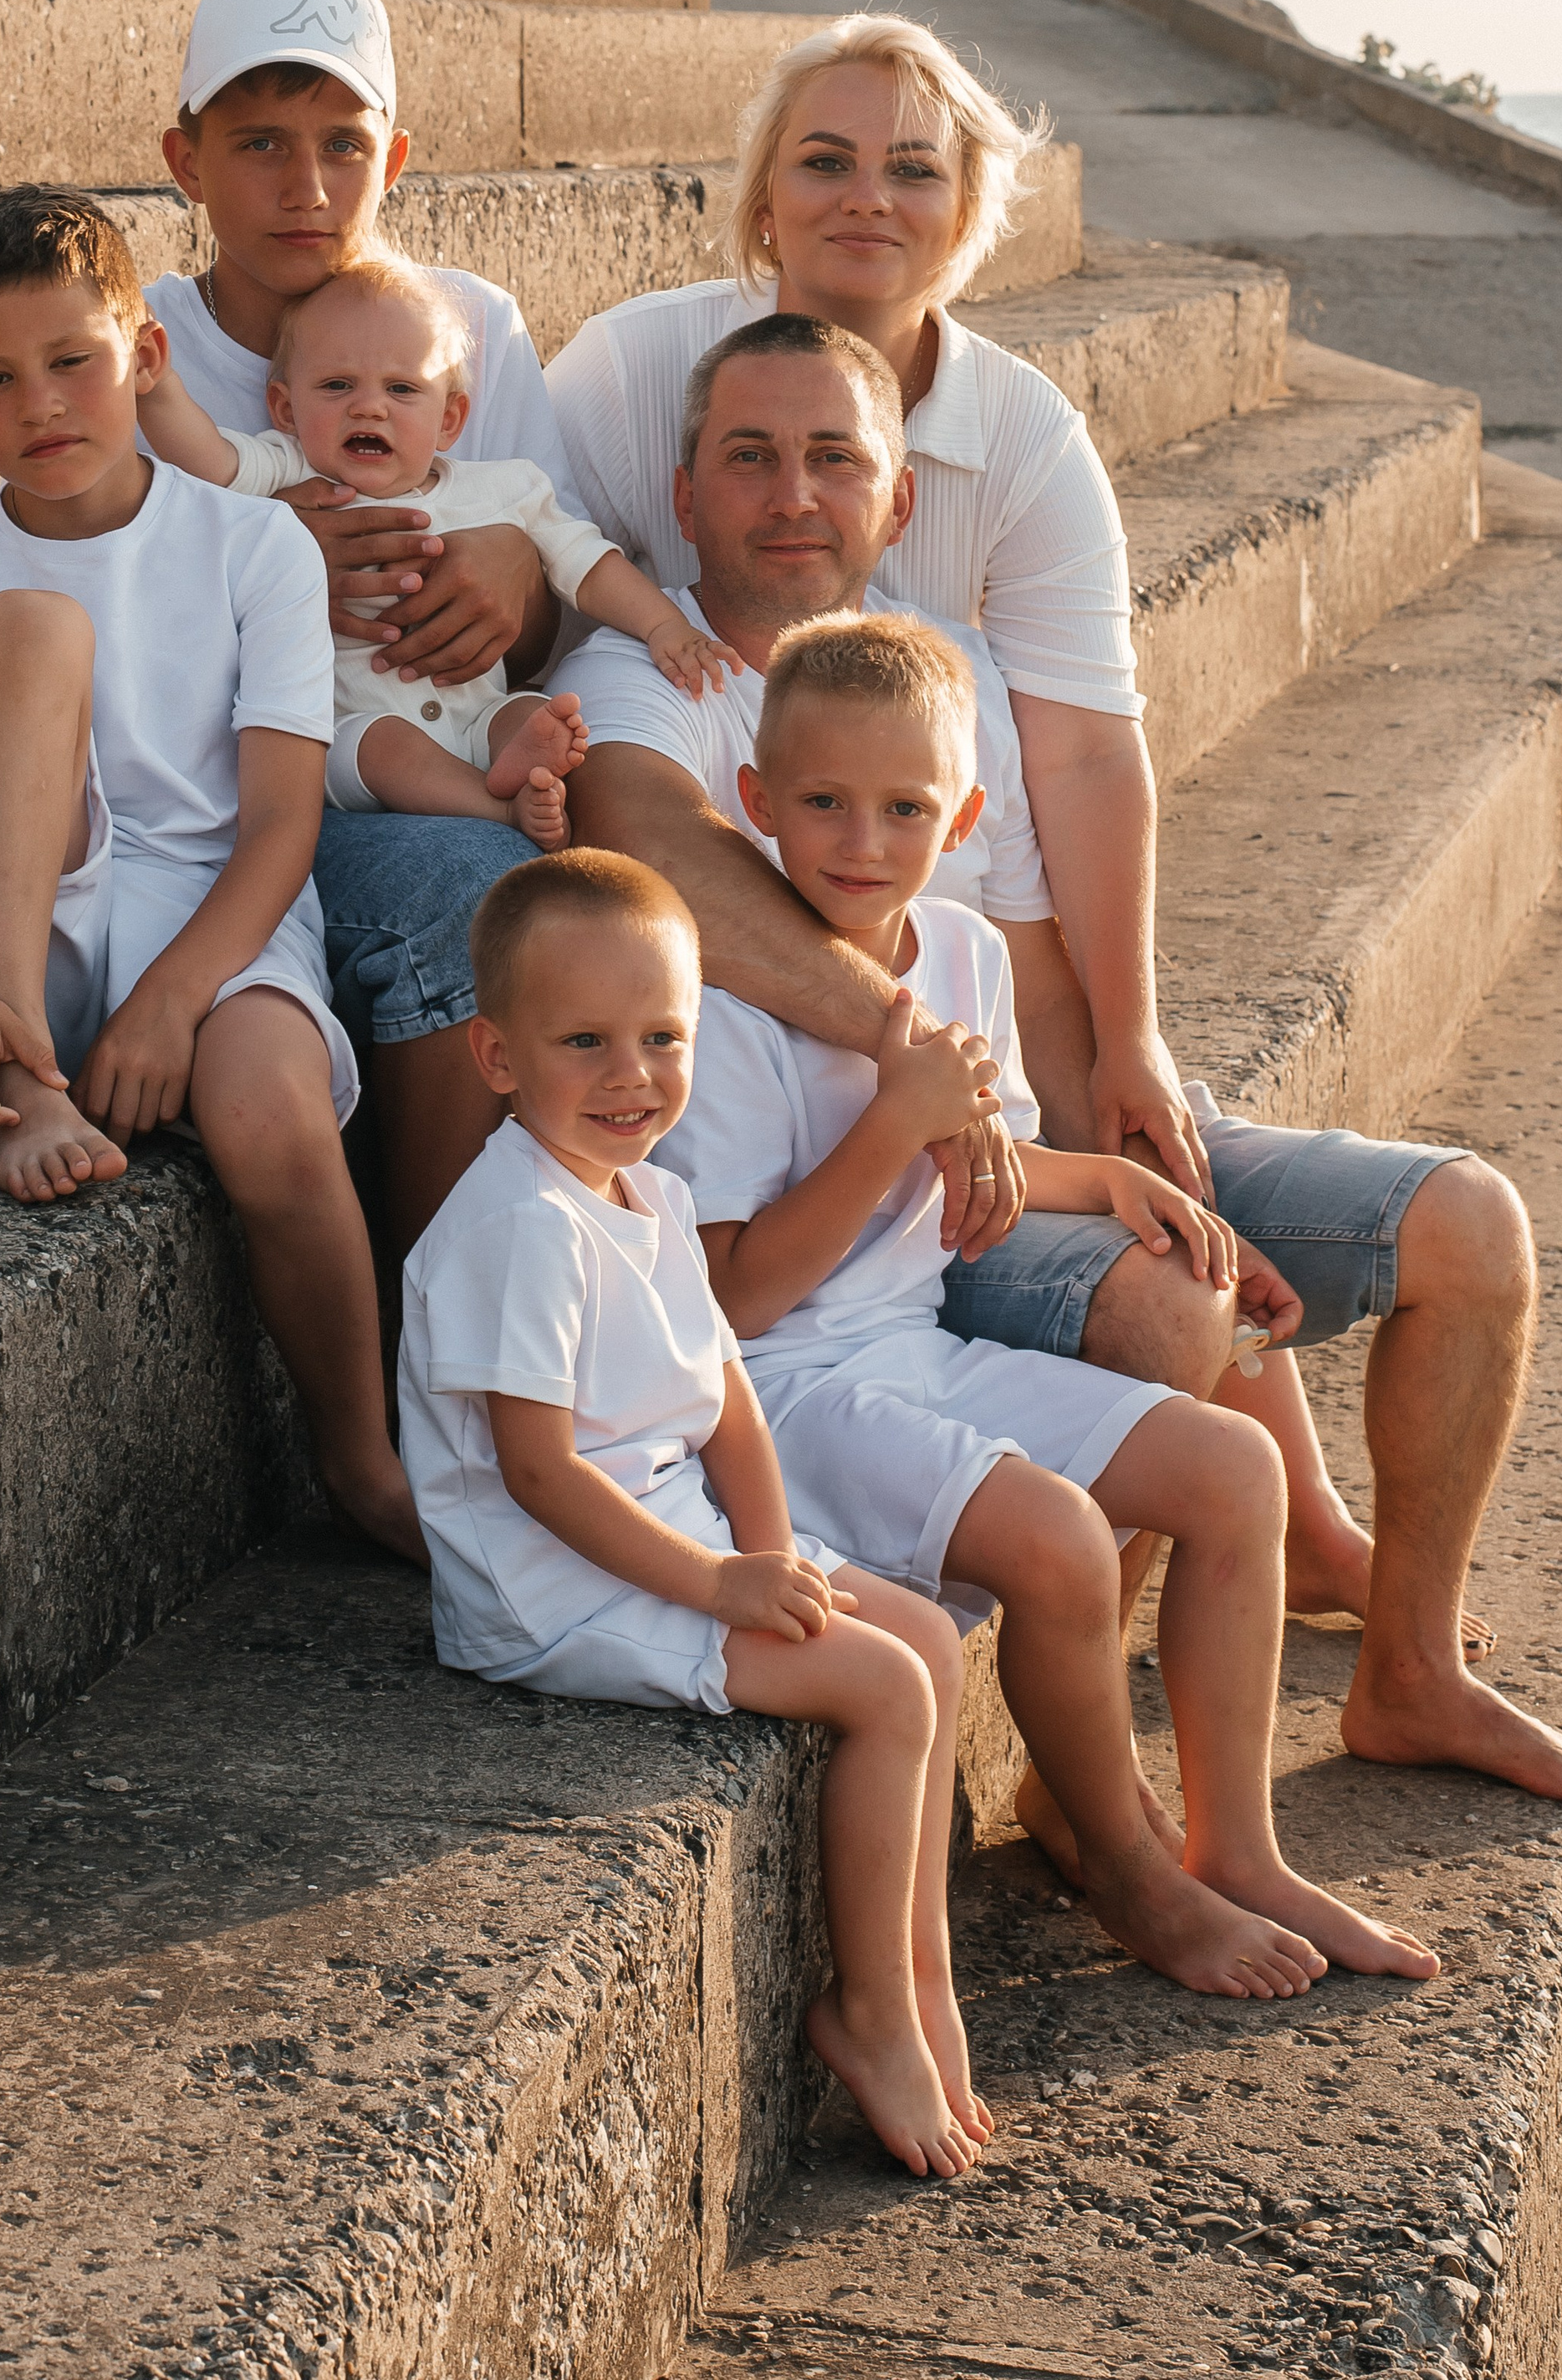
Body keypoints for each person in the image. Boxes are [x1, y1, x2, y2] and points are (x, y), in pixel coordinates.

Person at [559, 131, 1562, 1831]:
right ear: (681, 494)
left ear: (896, 501)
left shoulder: (953, 678)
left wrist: (1129, 1135)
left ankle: (1409, 1668)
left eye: (833, 458)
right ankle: (1088, 1792)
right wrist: (928, 1073)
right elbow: (645, 836)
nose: (789, 493)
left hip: (1037, 1146)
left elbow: (1036, 950)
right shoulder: (645, 674)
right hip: (882, 1217)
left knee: (1472, 1227)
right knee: (1169, 1314)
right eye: (745, 456)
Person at [655, 610, 1438, 1991]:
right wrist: (895, 1120)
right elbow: (737, 1297)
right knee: (1067, 1541)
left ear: (961, 819)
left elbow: (992, 1158)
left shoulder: (961, 951)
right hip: (783, 1391)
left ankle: (1238, 1846)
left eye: (906, 807)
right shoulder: (726, 1002)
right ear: (756, 800)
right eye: (823, 802)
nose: (862, 839)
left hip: (913, 1345)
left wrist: (1118, 1184)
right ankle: (1128, 1868)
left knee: (1237, 1469)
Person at [0, 186, 422, 1563]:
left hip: (218, 924)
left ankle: (360, 1457)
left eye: (74, 360)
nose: (41, 404)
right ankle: (25, 1076)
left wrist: (173, 999)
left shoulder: (251, 543)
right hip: (20, 929)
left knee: (275, 1114)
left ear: (146, 355)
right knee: (32, 626)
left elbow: (279, 821)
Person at [399, 849, 992, 2176]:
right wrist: (723, 1585)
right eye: (585, 1042)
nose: (633, 1075)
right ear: (497, 1055)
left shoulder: (651, 1193)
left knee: (928, 1638)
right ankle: (870, 2011)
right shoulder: (522, 1224)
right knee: (885, 1687)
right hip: (552, 1585)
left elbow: (728, 1405)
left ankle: (923, 1977)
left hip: (676, 1532)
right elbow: (540, 1475)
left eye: (663, 1037)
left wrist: (770, 1552)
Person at [150, 0, 583, 1244]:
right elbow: (86, 610)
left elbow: (556, 610)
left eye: (344, 143)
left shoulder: (464, 328)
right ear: (185, 161)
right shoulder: (142, 345)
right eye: (260, 143)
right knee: (475, 878)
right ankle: (437, 1300)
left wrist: (516, 576)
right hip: (228, 801)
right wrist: (260, 572)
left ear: (393, 158)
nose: (308, 185)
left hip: (435, 745)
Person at [140, 245, 738, 845]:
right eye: (336, 385)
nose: (368, 406)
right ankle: (497, 810)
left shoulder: (508, 489)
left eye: (402, 389)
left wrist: (664, 626)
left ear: (450, 420)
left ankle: (525, 774)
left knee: (535, 715)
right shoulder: (289, 467)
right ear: (285, 408)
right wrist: (156, 388)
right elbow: (211, 461)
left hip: (477, 716)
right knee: (386, 747)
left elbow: (589, 565)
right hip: (350, 733)